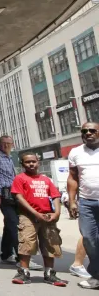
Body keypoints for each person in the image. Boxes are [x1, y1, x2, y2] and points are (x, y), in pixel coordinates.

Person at [10, 151, 67, 286]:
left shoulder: (46, 179)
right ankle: (24, 271)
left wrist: (57, 213)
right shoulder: (20, 178)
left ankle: (49, 273)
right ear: (22, 164)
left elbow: (55, 196)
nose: (31, 164)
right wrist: (35, 213)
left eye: (33, 161)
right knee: (26, 243)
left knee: (51, 243)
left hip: (47, 216)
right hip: (28, 217)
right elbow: (19, 197)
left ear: (38, 163)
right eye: (27, 162)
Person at [0, 136, 43, 270]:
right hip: (3, 194)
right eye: (3, 143)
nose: (6, 145)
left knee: (10, 224)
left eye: (9, 143)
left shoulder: (9, 157)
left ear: (13, 144)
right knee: (15, 224)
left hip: (13, 194)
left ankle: (6, 254)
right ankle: (22, 258)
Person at [68, 121, 99, 289]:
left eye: (92, 130)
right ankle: (97, 275)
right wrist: (72, 201)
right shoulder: (75, 152)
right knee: (89, 239)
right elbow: (72, 178)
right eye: (85, 131)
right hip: (87, 203)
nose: (88, 133)